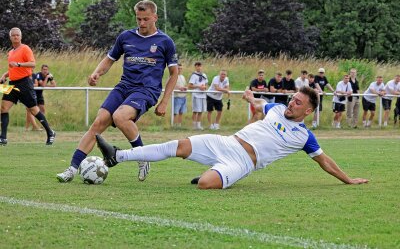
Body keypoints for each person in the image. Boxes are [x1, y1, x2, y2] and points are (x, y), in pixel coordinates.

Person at [95, 86, 369, 190]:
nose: (291, 103)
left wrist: (348, 179)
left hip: (242, 162)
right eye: (292, 98)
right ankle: (117, 156)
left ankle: (212, 172)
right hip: (226, 142)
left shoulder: (304, 137)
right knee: (176, 146)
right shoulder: (275, 108)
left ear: (308, 111)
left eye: (297, 103)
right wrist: (250, 98)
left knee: (204, 185)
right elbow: (260, 102)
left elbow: (324, 161)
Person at [56, 0, 179, 182]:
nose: (142, 23)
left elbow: (174, 73)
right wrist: (96, 73)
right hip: (124, 87)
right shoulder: (125, 37)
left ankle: (143, 157)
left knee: (120, 117)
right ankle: (72, 169)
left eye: (146, 19)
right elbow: (109, 59)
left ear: (155, 17)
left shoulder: (165, 42)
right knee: (98, 123)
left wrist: (165, 101)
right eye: (139, 19)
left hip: (147, 90)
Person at [0, 27, 56, 146]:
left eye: (18, 35)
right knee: (3, 108)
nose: (16, 37)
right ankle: (3, 137)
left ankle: (50, 132)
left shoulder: (25, 48)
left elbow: (33, 64)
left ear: (21, 37)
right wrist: (4, 75)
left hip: (25, 83)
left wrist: (19, 64)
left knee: (34, 110)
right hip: (12, 84)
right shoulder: (10, 52)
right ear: (10, 37)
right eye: (13, 35)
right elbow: (12, 69)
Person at [26, 64, 57, 130]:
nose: (45, 71)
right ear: (41, 70)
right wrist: (46, 79)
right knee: (31, 110)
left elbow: (54, 85)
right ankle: (31, 127)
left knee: (42, 109)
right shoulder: (38, 75)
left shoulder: (50, 75)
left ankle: (42, 125)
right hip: (33, 93)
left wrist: (46, 85)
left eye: (46, 69)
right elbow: (42, 85)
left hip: (40, 94)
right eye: (44, 69)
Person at [188, 62, 208, 130]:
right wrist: (199, 86)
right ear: (195, 67)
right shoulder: (194, 75)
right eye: (197, 66)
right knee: (195, 110)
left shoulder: (204, 75)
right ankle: (194, 125)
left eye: (200, 66)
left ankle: (198, 125)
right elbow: (190, 85)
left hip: (203, 95)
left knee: (200, 111)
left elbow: (206, 84)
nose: (199, 67)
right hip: (196, 95)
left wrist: (204, 87)